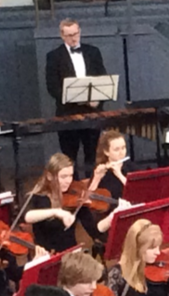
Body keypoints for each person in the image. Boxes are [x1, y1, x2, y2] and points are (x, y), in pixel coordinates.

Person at [24, 152, 125, 253]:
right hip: (49, 256)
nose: (68, 181)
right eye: (63, 177)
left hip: (72, 255)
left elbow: (95, 231)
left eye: (70, 176)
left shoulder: (75, 199)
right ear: (50, 176)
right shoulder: (41, 197)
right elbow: (28, 216)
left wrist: (113, 216)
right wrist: (56, 212)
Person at [45, 18, 108, 178]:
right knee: (69, 158)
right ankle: (72, 193)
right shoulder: (53, 56)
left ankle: (93, 192)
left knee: (92, 157)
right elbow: (53, 88)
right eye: (69, 35)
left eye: (76, 34)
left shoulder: (93, 52)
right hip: (68, 115)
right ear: (62, 36)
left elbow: (103, 79)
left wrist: (98, 99)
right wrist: (79, 98)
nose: (74, 38)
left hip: (92, 113)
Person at [89, 130, 139, 202]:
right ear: (106, 152)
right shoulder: (101, 169)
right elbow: (89, 200)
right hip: (107, 211)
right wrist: (96, 178)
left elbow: (139, 193)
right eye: (116, 149)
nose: (121, 152)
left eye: (123, 148)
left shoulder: (131, 168)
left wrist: (119, 175)